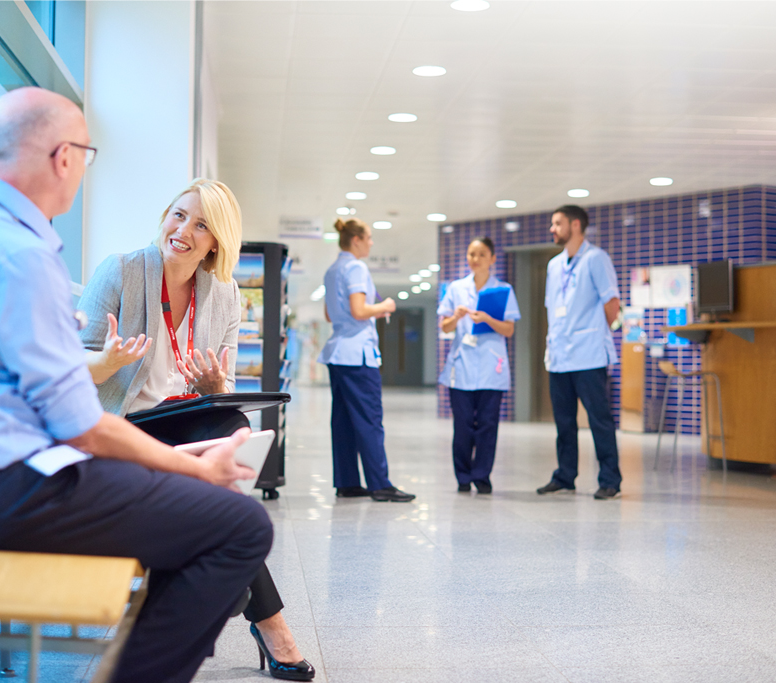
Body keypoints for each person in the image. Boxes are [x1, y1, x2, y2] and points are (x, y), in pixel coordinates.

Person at [0, 86, 273, 683]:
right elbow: (84, 425)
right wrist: (194, 469)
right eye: (87, 155)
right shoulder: (28, 255)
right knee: (240, 525)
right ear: (64, 157)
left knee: (214, 463)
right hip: (6, 483)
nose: (183, 229)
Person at [77, 179, 315, 681]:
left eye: (202, 224)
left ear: (216, 242)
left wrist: (214, 383)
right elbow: (71, 375)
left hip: (178, 419)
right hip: (123, 425)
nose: (183, 230)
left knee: (230, 421)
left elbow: (221, 381)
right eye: (179, 215)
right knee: (221, 490)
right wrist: (107, 361)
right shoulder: (120, 272)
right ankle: (270, 624)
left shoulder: (223, 294)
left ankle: (228, 586)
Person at [319, 218, 416, 503]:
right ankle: (379, 484)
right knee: (370, 419)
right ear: (357, 239)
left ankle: (347, 482)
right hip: (358, 354)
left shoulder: (332, 269)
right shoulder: (356, 267)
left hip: (338, 353)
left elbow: (329, 315)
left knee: (344, 421)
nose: (372, 243)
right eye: (369, 237)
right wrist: (384, 306)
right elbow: (359, 310)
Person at [536, 205, 623, 500]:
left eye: (557, 223)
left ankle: (610, 479)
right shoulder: (553, 265)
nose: (552, 229)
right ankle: (565, 475)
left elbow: (611, 302)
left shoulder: (596, 258)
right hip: (560, 355)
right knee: (564, 421)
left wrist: (596, 333)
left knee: (599, 419)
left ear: (575, 225)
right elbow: (553, 307)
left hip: (588, 355)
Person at [438, 236, 521, 494]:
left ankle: (482, 475)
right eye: (472, 254)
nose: (475, 259)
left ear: (492, 259)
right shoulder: (455, 288)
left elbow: (509, 329)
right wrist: (456, 316)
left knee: (487, 425)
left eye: (482, 254)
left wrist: (486, 318)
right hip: (461, 368)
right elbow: (444, 326)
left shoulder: (503, 290)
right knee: (462, 425)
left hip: (490, 368)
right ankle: (463, 476)